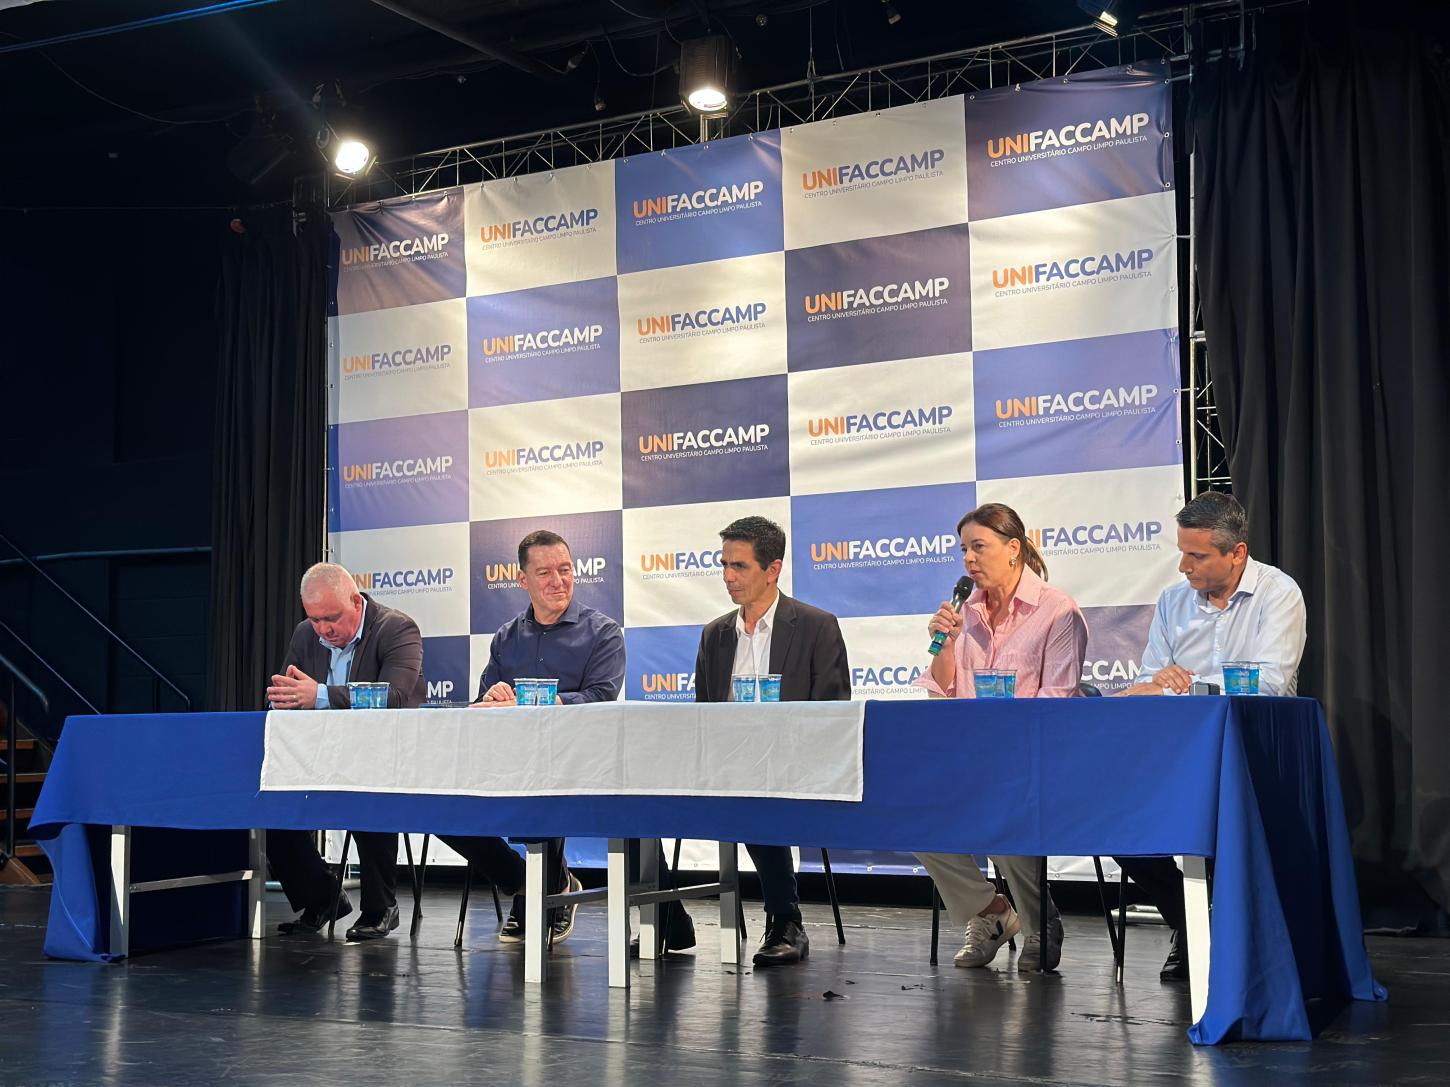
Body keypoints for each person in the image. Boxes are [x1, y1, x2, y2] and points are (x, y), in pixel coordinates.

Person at [1115, 490, 1306, 980]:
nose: (1184, 566)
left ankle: (1227, 934)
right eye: (1182, 552)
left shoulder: (1279, 593)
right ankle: (1190, 921)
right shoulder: (1172, 602)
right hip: (1180, 750)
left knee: (1223, 817)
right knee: (1117, 820)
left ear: (1236, 553)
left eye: (1197, 555)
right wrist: (1158, 685)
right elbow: (1149, 680)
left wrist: (1187, 688)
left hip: (1253, 748)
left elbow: (1270, 683)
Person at [913, 503, 1087, 972]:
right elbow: (942, 695)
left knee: (1003, 811)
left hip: (1034, 758)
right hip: (972, 758)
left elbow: (1058, 699)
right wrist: (945, 646)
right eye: (964, 549)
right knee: (916, 814)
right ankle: (990, 912)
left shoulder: (1057, 611)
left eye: (979, 547)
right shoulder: (964, 611)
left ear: (1014, 549)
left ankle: (1039, 922)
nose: (969, 558)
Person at [438, 529, 626, 945]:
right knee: (440, 807)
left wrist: (541, 701)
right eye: (545, 573)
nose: (558, 581)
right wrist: (493, 695)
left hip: (577, 760)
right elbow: (482, 703)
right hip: (507, 759)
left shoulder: (603, 632)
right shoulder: (507, 635)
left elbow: (602, 696)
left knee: (545, 778)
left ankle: (546, 892)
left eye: (565, 570)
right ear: (522, 580)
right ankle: (533, 885)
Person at [694, 515, 851, 967]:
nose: (728, 577)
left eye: (739, 567)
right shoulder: (715, 634)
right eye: (724, 565)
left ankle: (786, 920)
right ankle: (666, 916)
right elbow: (702, 714)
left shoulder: (817, 626)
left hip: (796, 762)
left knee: (757, 794)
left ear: (773, 569)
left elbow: (834, 712)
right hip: (728, 765)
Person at [265, 562, 425, 941]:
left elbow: (397, 697)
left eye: (332, 618)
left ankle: (380, 906)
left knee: (365, 787)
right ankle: (321, 896)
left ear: (356, 601)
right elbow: (290, 691)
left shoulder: (396, 628)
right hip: (321, 753)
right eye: (315, 619)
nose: (324, 629)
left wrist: (318, 695)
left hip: (388, 754)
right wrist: (284, 701)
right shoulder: (307, 634)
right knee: (269, 800)